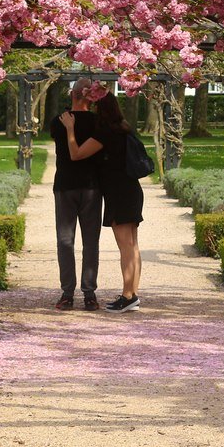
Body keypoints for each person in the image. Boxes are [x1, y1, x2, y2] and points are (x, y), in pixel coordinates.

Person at [61, 92, 144, 313]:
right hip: (131, 190)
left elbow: (76, 154)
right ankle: (132, 294)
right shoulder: (123, 127)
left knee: (125, 246)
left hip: (119, 193)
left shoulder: (106, 133)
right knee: (132, 245)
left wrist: (70, 128)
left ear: (101, 109)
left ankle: (128, 296)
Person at [48, 78, 104, 311]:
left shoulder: (58, 122)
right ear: (91, 97)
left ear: (72, 94)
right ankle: (89, 294)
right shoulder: (99, 123)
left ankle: (67, 293)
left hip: (65, 186)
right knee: (91, 241)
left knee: (65, 240)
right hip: (92, 187)